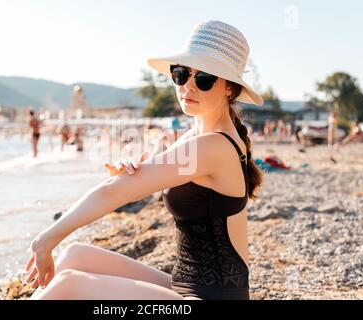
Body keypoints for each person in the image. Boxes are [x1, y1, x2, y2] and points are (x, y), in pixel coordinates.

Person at [25, 20, 264, 300]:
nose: (188, 86)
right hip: (183, 287)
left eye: (204, 79)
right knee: (75, 256)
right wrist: (129, 172)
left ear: (229, 89)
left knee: (69, 285)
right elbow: (126, 184)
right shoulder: (196, 136)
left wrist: (45, 241)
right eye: (181, 74)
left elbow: (114, 192)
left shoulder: (212, 145)